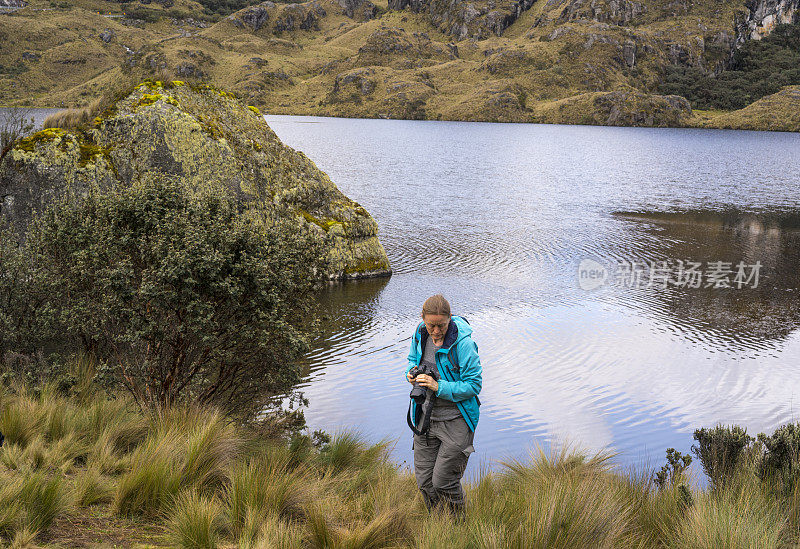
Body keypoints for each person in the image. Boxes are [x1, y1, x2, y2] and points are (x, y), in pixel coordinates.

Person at [405, 294, 482, 516]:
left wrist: (439, 387)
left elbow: (474, 385)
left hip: (456, 421)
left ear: (450, 318)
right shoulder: (420, 334)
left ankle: (459, 526)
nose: (437, 331)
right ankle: (439, 526)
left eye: (442, 325)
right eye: (432, 325)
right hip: (425, 419)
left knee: (444, 482)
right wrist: (410, 374)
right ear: (423, 319)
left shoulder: (464, 344)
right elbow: (412, 360)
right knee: (425, 483)